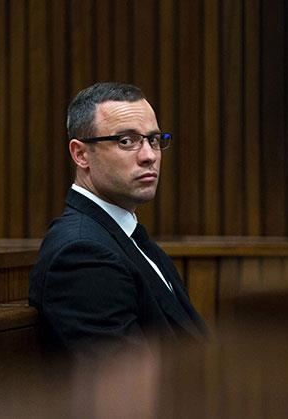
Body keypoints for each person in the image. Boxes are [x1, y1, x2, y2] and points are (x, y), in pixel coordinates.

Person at [28, 82, 207, 359]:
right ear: (81, 154)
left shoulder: (126, 235)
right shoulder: (81, 254)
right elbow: (124, 378)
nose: (149, 156)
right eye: (126, 141)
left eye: (153, 140)